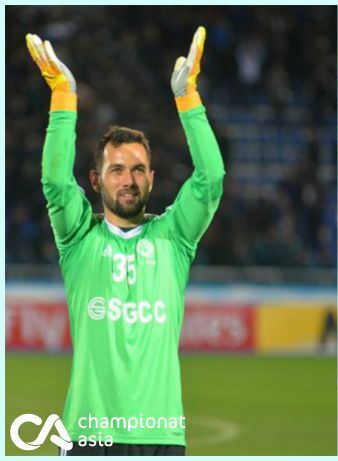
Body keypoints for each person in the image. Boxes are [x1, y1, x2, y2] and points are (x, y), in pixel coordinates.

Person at [26, 27, 224, 456]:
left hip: (160, 437)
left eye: (138, 169)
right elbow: (56, 182)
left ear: (152, 179)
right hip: (88, 436)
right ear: (97, 180)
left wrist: (188, 99)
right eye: (116, 169)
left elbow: (211, 181)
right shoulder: (80, 240)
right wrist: (63, 96)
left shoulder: (174, 238)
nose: (128, 179)